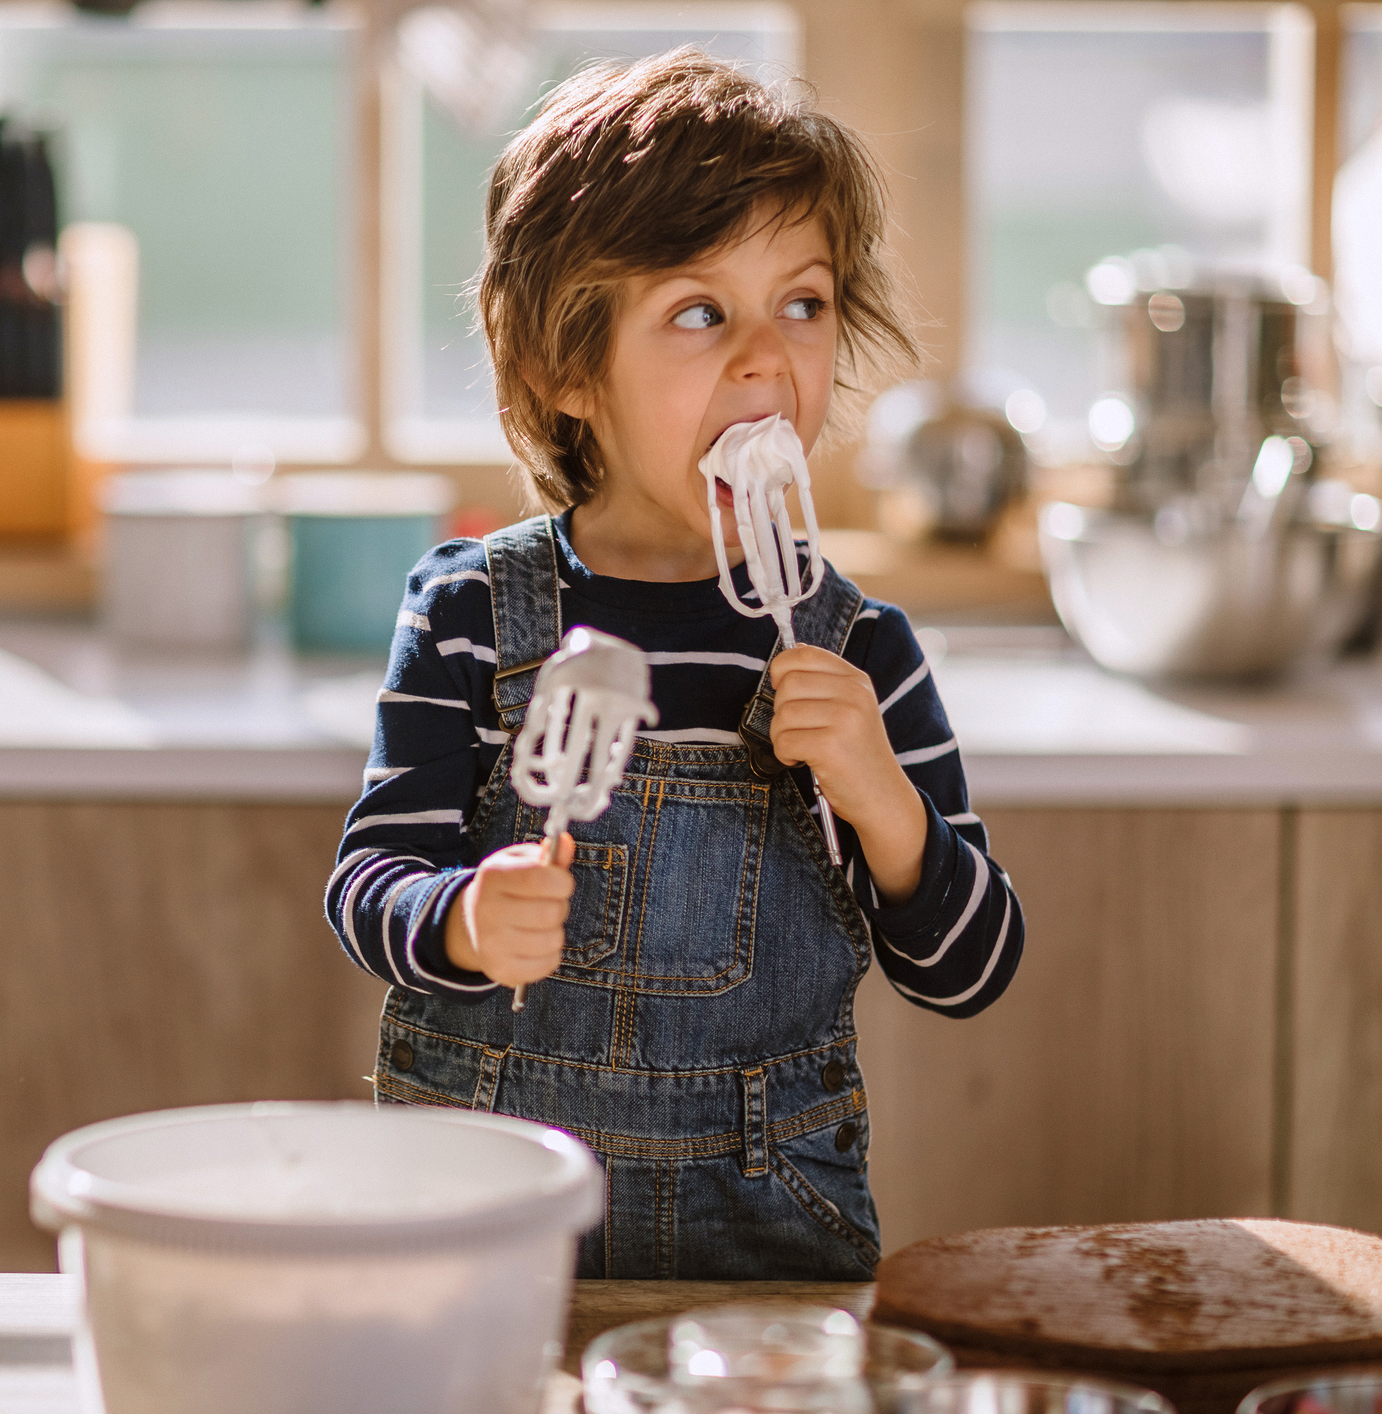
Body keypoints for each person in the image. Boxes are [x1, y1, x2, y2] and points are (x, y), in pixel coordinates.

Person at [325, 47, 1024, 1280]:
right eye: (700, 312)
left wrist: (887, 806)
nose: (766, 360)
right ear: (562, 371)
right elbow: (368, 879)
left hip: (767, 1233)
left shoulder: (859, 649)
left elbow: (974, 969)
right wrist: (466, 916)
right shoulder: (471, 612)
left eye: (800, 304)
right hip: (481, 1213)